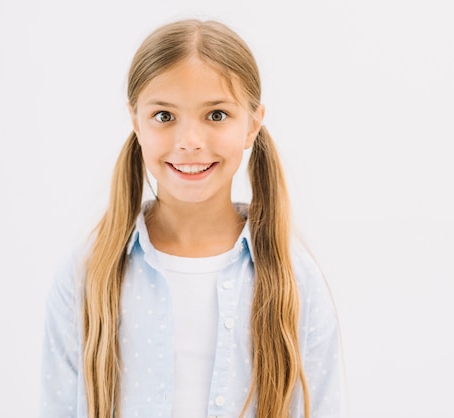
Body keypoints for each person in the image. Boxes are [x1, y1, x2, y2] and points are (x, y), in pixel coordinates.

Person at [39, 18, 344, 418]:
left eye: (216, 115)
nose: (189, 142)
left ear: (252, 125)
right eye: (164, 116)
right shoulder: (85, 275)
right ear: (136, 122)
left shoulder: (296, 278)